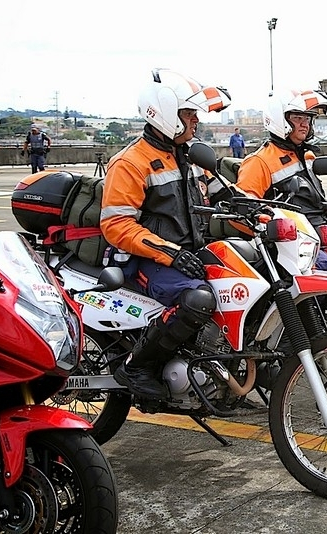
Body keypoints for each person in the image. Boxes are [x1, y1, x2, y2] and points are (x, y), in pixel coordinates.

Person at [100, 68, 231, 399]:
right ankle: (137, 366)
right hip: (146, 261)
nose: (195, 121)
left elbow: (223, 195)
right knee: (197, 300)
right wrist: (169, 252)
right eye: (189, 114)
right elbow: (116, 225)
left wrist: (257, 212)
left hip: (187, 253)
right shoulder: (130, 162)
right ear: (166, 114)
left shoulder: (190, 156)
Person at [235, 88, 327, 272]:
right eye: (298, 118)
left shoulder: (307, 156)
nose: (305, 124)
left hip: (318, 233)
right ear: (280, 120)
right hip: (290, 244)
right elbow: (241, 212)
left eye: (308, 118)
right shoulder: (260, 161)